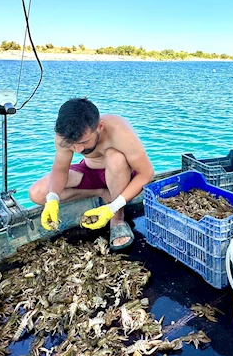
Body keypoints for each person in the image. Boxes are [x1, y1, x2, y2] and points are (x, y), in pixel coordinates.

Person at [29, 98, 155, 250]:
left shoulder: (119, 130)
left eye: (84, 142)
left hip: (121, 174)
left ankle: (117, 219)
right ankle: (102, 192)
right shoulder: (64, 136)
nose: (78, 150)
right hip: (89, 171)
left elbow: (147, 173)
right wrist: (52, 199)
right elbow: (61, 169)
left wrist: (113, 207)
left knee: (116, 158)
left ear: (99, 127)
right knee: (37, 193)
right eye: (72, 144)